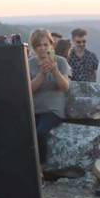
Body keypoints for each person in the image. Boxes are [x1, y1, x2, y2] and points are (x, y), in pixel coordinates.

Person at [28, 29, 71, 166]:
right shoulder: (29, 63)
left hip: (52, 110)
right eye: (38, 45)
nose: (42, 48)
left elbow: (65, 87)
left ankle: (40, 168)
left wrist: (55, 71)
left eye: (45, 45)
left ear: (51, 45)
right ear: (34, 48)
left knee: (40, 133)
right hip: (34, 110)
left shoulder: (61, 61)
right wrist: (42, 74)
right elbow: (28, 89)